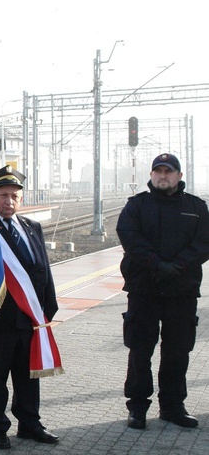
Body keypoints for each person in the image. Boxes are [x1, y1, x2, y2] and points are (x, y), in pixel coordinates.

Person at [0, 166, 60, 450]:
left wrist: (48, 307)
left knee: (29, 375)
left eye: (14, 195)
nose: (9, 201)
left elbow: (44, 269)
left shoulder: (32, 227)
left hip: (31, 317)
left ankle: (30, 423)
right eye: (2, 194)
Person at [116, 153, 209, 430]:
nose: (162, 176)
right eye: (158, 171)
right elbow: (129, 237)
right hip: (144, 289)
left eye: (169, 171)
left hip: (182, 291)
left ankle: (172, 406)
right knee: (140, 349)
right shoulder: (136, 206)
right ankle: (137, 407)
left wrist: (178, 265)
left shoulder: (196, 206)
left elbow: (204, 242)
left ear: (179, 176)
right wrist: (157, 265)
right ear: (152, 175)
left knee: (178, 350)